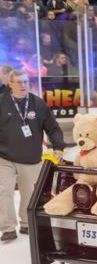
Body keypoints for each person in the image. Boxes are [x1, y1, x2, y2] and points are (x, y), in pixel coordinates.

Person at [0, 70, 65, 241]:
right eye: (19, 82)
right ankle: (7, 228)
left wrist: (58, 146)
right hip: (4, 157)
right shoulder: (2, 102)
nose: (23, 85)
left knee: (28, 193)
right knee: (3, 191)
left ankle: (26, 224)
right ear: (10, 84)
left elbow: (52, 127)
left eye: (25, 82)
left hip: (30, 157)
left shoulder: (37, 103)